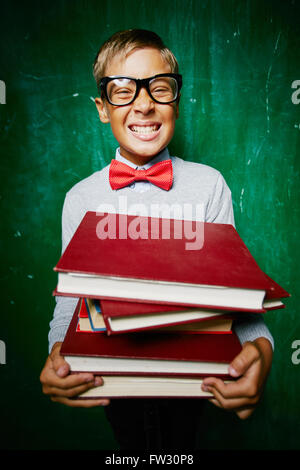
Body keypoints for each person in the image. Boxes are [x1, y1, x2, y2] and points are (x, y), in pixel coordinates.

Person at [40, 29, 274, 449]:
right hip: (112, 383)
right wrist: (59, 351)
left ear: (176, 103)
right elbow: (69, 303)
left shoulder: (209, 186)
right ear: (101, 108)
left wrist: (264, 353)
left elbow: (237, 300)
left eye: (159, 88)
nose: (144, 103)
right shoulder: (80, 198)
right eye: (123, 90)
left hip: (196, 382)